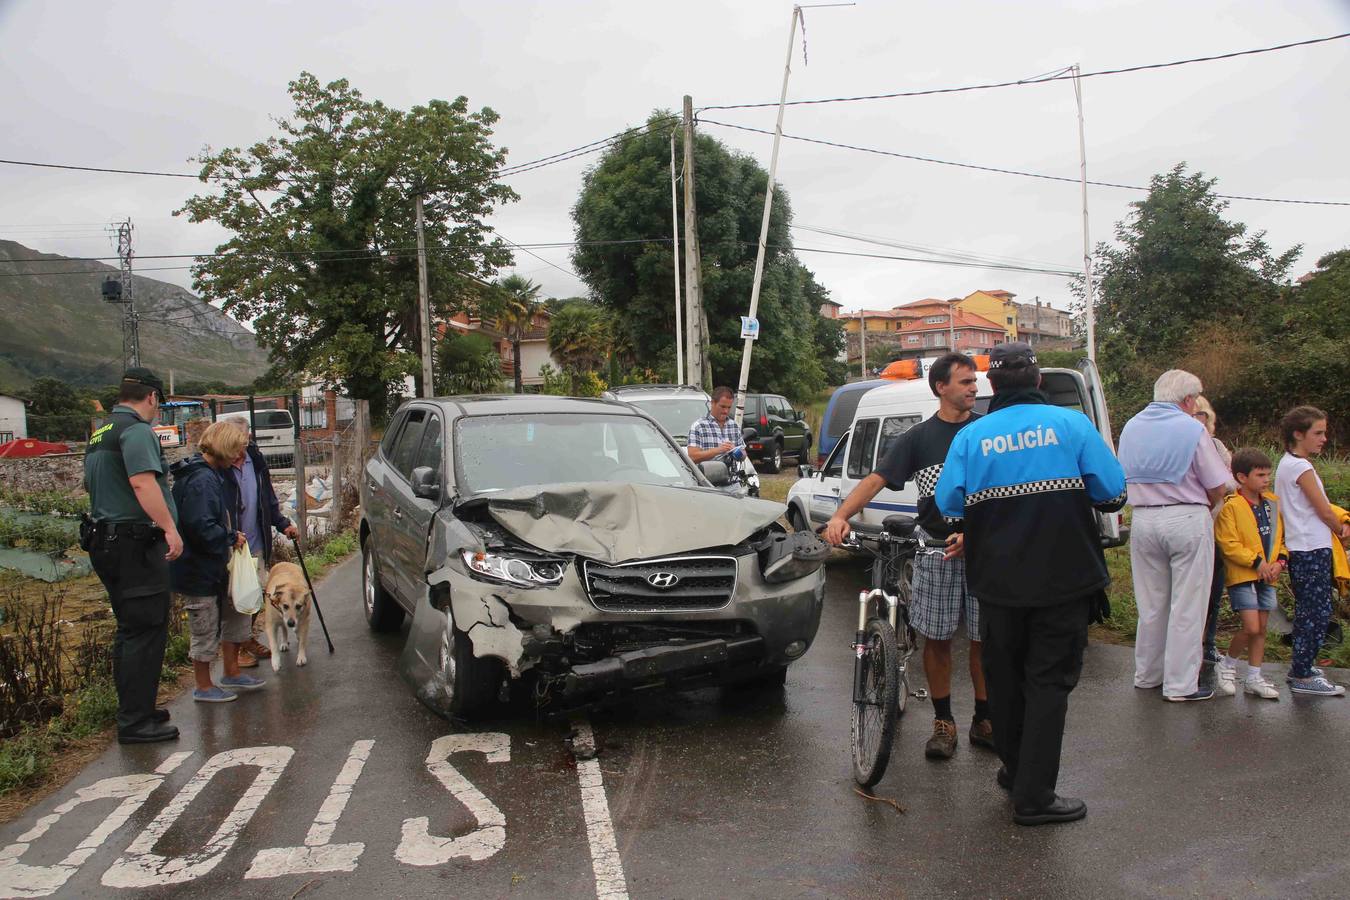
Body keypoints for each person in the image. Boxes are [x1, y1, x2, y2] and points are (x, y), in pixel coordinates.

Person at [934, 342, 1125, 826]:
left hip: (998, 583)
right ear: (1038, 381)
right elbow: (1113, 494)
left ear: (992, 386)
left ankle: (1018, 772)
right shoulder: (1072, 425)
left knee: (1006, 679)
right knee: (1048, 682)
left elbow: (948, 503)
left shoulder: (972, 438)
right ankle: (1034, 797)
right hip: (1064, 580)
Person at [824, 352, 993, 760]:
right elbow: (878, 479)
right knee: (936, 641)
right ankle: (944, 722)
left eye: (974, 382)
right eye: (965, 382)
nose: (974, 388)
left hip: (985, 551)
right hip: (936, 551)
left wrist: (976, 532)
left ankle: (985, 720)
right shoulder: (919, 438)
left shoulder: (986, 434)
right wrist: (841, 515)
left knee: (984, 641)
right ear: (941, 387)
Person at [83, 368, 184, 744]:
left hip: (108, 541)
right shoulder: (137, 431)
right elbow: (142, 482)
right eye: (161, 404)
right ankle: (135, 721)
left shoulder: (103, 430)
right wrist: (170, 529)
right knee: (145, 628)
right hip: (133, 544)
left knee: (131, 630)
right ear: (152, 397)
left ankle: (137, 708)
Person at [1117, 370, 1231, 702]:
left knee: (1151, 604)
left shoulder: (1132, 425)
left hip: (1144, 518)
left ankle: (1148, 674)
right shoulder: (1192, 428)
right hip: (1186, 515)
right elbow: (1216, 484)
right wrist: (1206, 506)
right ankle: (1181, 685)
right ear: (1188, 399)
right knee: (1188, 604)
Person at [170, 421, 266, 702]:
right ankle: (203, 686)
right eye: (238, 449)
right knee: (205, 623)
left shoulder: (208, 474)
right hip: (198, 569)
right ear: (225, 447)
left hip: (212, 566)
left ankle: (231, 672)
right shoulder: (202, 480)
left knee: (230, 615)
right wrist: (228, 536)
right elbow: (200, 526)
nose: (240, 456)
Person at [1274, 406, 1350, 697]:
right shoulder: (1301, 467)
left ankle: (1302, 666)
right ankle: (1303, 674)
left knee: (1313, 610)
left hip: (1305, 547)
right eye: (1317, 433)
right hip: (1309, 548)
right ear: (1298, 434)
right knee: (1315, 612)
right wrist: (1341, 530)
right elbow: (1323, 508)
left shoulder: (1288, 463)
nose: (1324, 438)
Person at [223, 418, 298, 667]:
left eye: (241, 441)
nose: (236, 446)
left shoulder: (254, 459)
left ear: (248, 437)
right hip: (229, 543)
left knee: (254, 595)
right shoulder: (219, 464)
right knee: (233, 600)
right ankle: (235, 651)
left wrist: (281, 522)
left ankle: (246, 639)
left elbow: (267, 496)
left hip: (254, 540)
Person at [1213, 448, 1286, 700]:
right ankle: (1228, 664)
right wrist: (1256, 562)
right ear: (1242, 477)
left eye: (1268, 474)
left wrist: (1279, 562)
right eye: (1260, 475)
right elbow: (1228, 542)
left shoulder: (1272, 504)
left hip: (1268, 575)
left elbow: (1279, 538)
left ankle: (1254, 676)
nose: (1266, 480)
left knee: (1262, 627)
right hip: (1243, 575)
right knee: (1251, 626)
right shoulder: (1231, 507)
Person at [1193, 396, 1235, 666]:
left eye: (1202, 414)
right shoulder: (1179, 444)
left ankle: (1209, 642)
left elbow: (1229, 483)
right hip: (1193, 524)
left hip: (1216, 526)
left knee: (1214, 591)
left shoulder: (1217, 447)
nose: (1199, 419)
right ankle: (1189, 646)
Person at [687, 386, 747, 465]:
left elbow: (744, 455)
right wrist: (719, 450)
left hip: (731, 476)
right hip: (706, 476)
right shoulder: (699, 426)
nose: (726, 411)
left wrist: (736, 451)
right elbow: (692, 457)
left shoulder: (734, 425)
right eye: (722, 406)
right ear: (712, 403)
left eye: (729, 407)